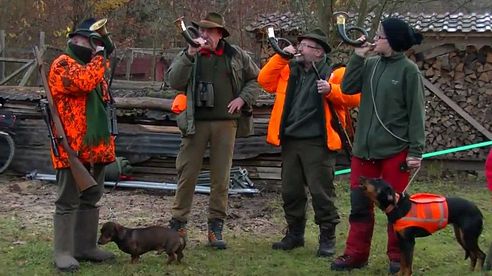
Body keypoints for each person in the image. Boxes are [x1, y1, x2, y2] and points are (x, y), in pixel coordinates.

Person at [330, 18, 425, 273]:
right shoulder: (370, 64)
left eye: (380, 35)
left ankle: (397, 257)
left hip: (396, 151)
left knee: (396, 207)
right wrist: (358, 57)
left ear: (392, 41)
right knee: (359, 205)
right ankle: (355, 255)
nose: (375, 38)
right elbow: (348, 87)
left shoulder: (408, 71)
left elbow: (417, 113)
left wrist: (416, 151)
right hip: (364, 151)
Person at [257, 29, 360, 257]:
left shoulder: (336, 73)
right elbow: (264, 80)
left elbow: (355, 96)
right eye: (300, 44)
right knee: (291, 191)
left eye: (305, 46)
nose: (300, 49)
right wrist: (281, 56)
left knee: (321, 193)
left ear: (319, 52)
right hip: (291, 140)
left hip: (318, 143)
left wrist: (331, 90)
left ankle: (327, 238)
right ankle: (295, 235)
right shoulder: (287, 69)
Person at [166, 12, 259, 249]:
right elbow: (174, 81)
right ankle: (178, 225)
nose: (203, 35)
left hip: (225, 124)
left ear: (220, 34)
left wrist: (242, 98)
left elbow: (256, 79)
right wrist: (189, 55)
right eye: (201, 31)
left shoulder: (236, 55)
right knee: (187, 174)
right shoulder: (190, 53)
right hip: (194, 123)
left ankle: (215, 228)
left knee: (221, 178)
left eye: (209, 31)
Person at [47, 18, 116, 271]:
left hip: (96, 148)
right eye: (91, 41)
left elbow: (103, 98)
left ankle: (85, 247)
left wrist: (102, 54)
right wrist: (100, 57)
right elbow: (84, 82)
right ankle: (63, 252)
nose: (94, 47)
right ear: (76, 40)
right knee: (67, 201)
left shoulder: (92, 67)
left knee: (91, 198)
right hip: (71, 148)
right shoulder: (63, 64)